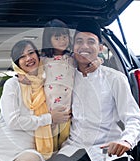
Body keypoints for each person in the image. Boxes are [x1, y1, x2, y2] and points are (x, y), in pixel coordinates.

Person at [50, 20, 140, 161]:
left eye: (91, 42)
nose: (84, 46)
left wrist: (126, 141)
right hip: (75, 148)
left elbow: (134, 118)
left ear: (100, 47)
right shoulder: (65, 75)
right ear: (73, 48)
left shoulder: (115, 78)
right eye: (79, 41)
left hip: (109, 149)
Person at [19, 19, 100, 152]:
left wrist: (97, 61)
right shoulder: (43, 60)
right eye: (57, 38)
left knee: (64, 143)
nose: (63, 40)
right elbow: (28, 68)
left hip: (68, 113)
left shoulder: (72, 58)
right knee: (48, 143)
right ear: (48, 40)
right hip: (49, 112)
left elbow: (90, 59)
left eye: (65, 37)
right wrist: (22, 77)